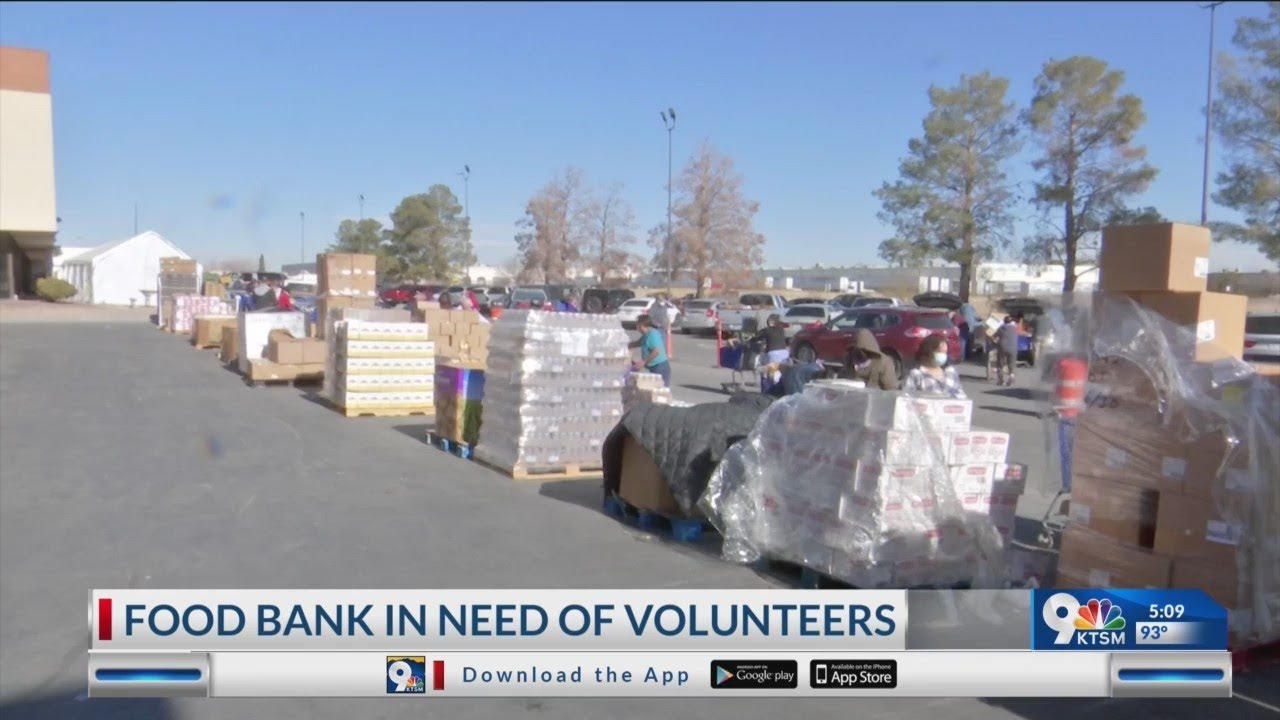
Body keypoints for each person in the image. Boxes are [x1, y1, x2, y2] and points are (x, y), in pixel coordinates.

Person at [628, 314, 671, 387]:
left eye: (638, 326)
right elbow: (636, 343)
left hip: (660, 366)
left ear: (642, 325)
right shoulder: (646, 335)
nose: (637, 328)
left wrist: (644, 361)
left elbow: (656, 351)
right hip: (653, 367)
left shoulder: (652, 335)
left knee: (661, 390)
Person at [993, 315, 1019, 386]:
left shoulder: (1001, 328)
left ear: (1004, 321)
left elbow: (994, 336)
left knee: (1000, 364)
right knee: (1011, 363)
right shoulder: (1015, 328)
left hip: (1002, 347)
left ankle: (1001, 380)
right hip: (1013, 348)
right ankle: (1011, 375)